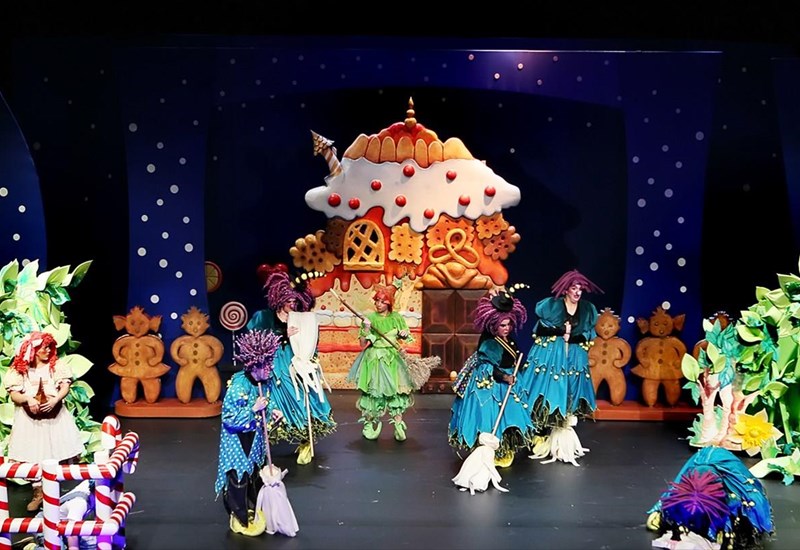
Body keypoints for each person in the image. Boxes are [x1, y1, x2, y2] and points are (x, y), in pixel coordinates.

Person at [246, 266, 336, 465]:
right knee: (271, 400)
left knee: (301, 397)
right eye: (289, 300)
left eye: (295, 301)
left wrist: (312, 358)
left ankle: (305, 439)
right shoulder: (265, 317)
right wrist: (281, 335)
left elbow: (311, 340)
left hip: (295, 361)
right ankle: (263, 444)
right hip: (273, 363)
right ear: (279, 298)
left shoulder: (301, 317)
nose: (292, 304)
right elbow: (254, 340)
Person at [518, 269, 602, 466]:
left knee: (570, 391)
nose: (577, 292)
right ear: (565, 290)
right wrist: (561, 331)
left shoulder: (587, 310)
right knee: (548, 391)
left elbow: (588, 334)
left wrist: (571, 336)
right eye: (574, 288)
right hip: (552, 354)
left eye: (580, 289)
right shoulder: (552, 306)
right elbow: (541, 329)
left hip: (574, 356)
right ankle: (539, 434)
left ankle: (561, 433)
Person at [448, 290, 535, 468]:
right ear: (494, 325)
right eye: (503, 325)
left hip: (510, 380)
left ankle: (505, 448)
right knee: (490, 415)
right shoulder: (489, 343)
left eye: (509, 324)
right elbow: (488, 368)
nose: (507, 328)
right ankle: (488, 447)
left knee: (511, 414)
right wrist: (505, 377)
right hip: (491, 383)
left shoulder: (508, 339)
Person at [4, 331, 85, 512]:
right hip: (29, 421)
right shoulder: (20, 369)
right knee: (32, 453)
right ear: (33, 350)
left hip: (54, 418)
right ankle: (38, 492)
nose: (48, 351)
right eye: (44, 347)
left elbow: (65, 386)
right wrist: (28, 399)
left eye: (49, 347)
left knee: (54, 450)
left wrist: (56, 399)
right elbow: (14, 394)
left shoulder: (56, 366)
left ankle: (53, 492)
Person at [214, 360, 284, 536]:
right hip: (238, 442)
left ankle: (253, 508)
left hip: (254, 440)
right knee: (238, 479)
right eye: (265, 366)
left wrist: (272, 411)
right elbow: (229, 419)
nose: (269, 369)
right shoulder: (238, 387)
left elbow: (267, 403)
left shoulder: (263, 383)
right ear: (254, 367)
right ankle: (239, 517)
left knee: (254, 475)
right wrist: (253, 409)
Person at [346, 283, 414, 442]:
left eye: (382, 302)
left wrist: (403, 334)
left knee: (396, 391)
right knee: (373, 392)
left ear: (389, 303)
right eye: (377, 301)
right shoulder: (370, 318)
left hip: (392, 359)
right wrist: (366, 329)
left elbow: (406, 336)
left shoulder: (396, 318)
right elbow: (362, 344)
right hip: (374, 359)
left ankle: (398, 424)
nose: (378, 304)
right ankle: (369, 425)